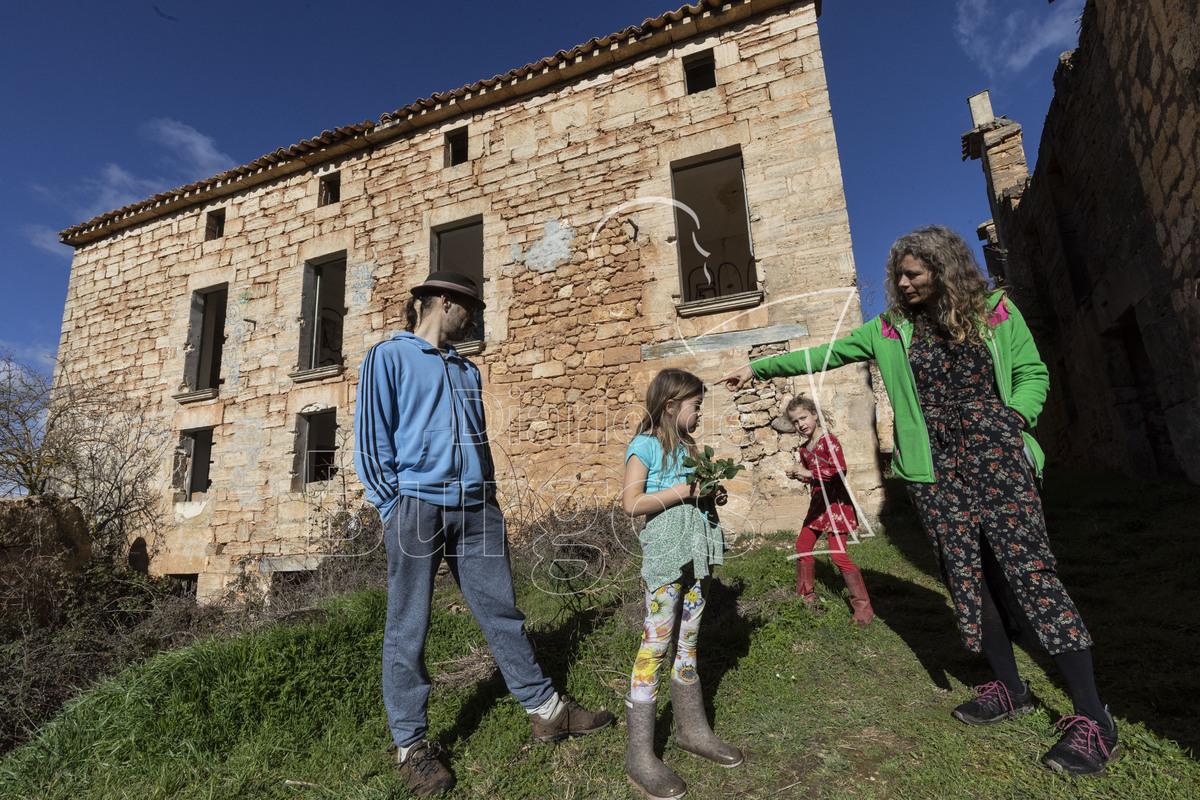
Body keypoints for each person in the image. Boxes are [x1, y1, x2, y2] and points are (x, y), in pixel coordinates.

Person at [716, 225, 1118, 777]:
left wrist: (1014, 417)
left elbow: (1032, 372)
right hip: (934, 475)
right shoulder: (887, 331)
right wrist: (758, 366)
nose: (903, 284)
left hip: (997, 459)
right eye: (898, 275)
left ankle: (1093, 718)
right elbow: (826, 352)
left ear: (943, 266)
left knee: (1033, 577)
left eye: (914, 273)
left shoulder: (996, 312)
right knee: (966, 579)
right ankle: (1010, 687)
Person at [354, 270, 614, 797]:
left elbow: (479, 441)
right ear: (443, 301)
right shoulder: (388, 357)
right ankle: (412, 747)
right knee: (409, 626)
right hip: (416, 508)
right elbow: (370, 437)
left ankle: (546, 710)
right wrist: (392, 506)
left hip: (477, 510)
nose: (472, 318)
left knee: (503, 612)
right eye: (468, 308)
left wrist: (488, 495)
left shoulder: (467, 371)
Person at [620, 368, 743, 800]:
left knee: (688, 643)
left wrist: (710, 493)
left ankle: (692, 731)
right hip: (667, 559)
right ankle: (639, 754)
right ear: (671, 406)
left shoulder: (691, 448)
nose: (699, 414)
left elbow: (694, 492)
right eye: (696, 406)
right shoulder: (646, 446)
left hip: (699, 556)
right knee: (656, 646)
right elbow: (632, 502)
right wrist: (682, 490)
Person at [783, 395, 874, 626]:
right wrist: (798, 475)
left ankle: (863, 607)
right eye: (795, 421)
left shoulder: (829, 441)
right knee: (802, 546)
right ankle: (806, 599)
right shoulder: (805, 449)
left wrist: (809, 474)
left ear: (814, 414)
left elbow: (839, 470)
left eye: (803, 417)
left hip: (836, 506)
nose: (800, 424)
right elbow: (812, 478)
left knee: (838, 555)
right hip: (818, 506)